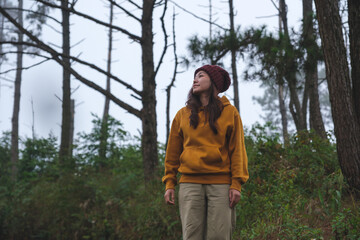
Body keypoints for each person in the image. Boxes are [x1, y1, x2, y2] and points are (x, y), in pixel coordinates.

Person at [162, 65, 249, 240]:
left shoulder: (230, 112)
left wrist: (236, 184)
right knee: (191, 236)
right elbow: (172, 152)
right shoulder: (182, 115)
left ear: (214, 81)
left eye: (200, 76)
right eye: (194, 77)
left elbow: (237, 150)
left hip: (221, 185)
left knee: (219, 236)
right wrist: (169, 183)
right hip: (189, 184)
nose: (195, 80)